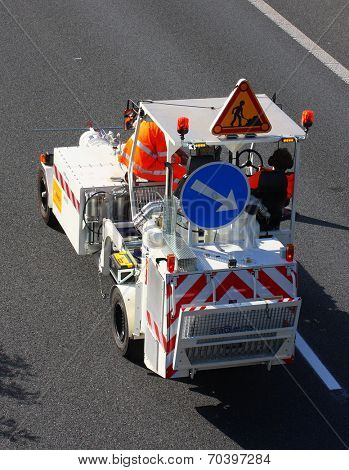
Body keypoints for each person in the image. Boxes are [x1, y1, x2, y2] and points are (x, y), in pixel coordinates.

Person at [118, 120, 187, 188]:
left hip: (130, 161)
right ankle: (176, 195)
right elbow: (165, 159)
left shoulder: (151, 124)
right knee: (181, 172)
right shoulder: (162, 133)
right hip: (141, 168)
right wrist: (180, 159)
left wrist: (177, 152)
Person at [248, 148, 294, 230]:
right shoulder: (289, 178)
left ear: (272, 161)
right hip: (276, 217)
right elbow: (287, 197)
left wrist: (262, 171)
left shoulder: (260, 175)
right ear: (289, 164)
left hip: (257, 216)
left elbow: (247, 187)